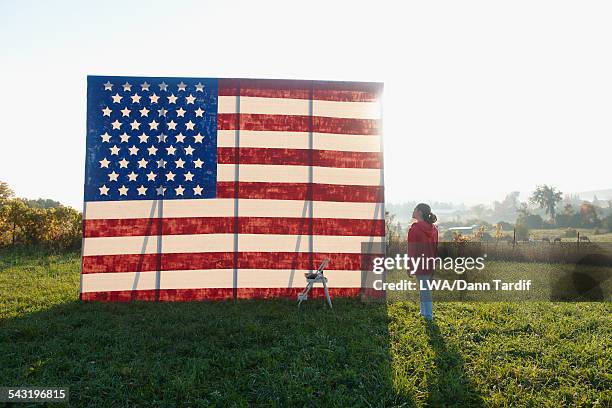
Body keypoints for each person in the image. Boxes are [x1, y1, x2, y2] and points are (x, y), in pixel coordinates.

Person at [407, 203, 438, 320]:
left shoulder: (414, 229)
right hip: (430, 262)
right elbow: (436, 247)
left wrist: (409, 267)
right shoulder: (434, 229)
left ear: (419, 212)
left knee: (425, 290)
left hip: (419, 263)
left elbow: (412, 250)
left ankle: (428, 315)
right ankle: (423, 312)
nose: (413, 211)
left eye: (415, 209)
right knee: (424, 287)